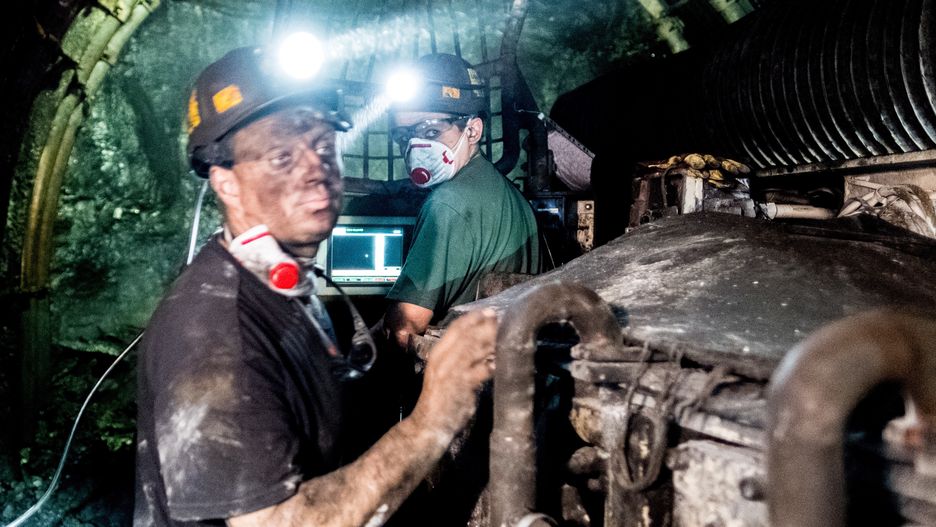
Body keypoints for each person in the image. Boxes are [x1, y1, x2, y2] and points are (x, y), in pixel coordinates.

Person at [134, 46, 498, 527]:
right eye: (281, 157)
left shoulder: (285, 287)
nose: (316, 171)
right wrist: (434, 418)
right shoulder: (213, 332)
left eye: (325, 147)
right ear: (226, 184)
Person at [381, 53, 540, 351]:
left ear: (473, 130)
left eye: (431, 131)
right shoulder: (508, 193)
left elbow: (403, 329)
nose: (415, 147)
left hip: (463, 369)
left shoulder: (447, 204)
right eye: (404, 137)